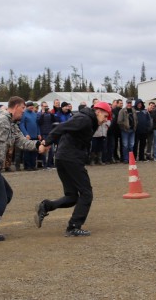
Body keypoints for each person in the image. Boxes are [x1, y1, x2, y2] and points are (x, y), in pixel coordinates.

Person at [0, 97, 50, 243]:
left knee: (7, 194)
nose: (24, 112)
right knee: (0, 199)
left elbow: (22, 142)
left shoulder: (12, 125)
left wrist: (38, 146)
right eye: (23, 108)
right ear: (17, 107)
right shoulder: (0, 119)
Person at [34, 101, 112, 237]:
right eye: (105, 116)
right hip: (71, 158)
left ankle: (46, 206)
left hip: (63, 158)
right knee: (86, 193)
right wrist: (46, 142)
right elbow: (61, 127)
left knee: (72, 197)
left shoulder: (88, 120)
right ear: (98, 111)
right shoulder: (85, 119)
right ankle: (74, 227)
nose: (106, 120)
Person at [19, 101, 40, 171]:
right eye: (30, 106)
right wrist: (26, 134)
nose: (31, 107)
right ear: (27, 107)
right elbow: (21, 125)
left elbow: (37, 125)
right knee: (27, 151)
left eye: (32, 106)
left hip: (35, 135)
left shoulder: (34, 114)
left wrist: (39, 133)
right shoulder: (24, 114)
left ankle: (33, 165)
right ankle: (27, 166)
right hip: (28, 136)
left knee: (34, 150)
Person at [38, 101, 57, 169]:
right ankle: (44, 164)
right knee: (44, 150)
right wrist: (43, 114)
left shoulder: (50, 114)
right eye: (44, 106)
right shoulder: (39, 113)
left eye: (47, 106)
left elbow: (54, 120)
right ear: (41, 106)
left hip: (50, 133)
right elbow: (39, 122)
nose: (46, 108)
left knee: (51, 150)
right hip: (43, 134)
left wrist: (51, 114)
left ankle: (49, 164)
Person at [117, 99, 137, 163]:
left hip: (132, 130)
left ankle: (131, 159)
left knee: (131, 145)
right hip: (125, 131)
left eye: (130, 103)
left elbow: (136, 120)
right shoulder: (122, 111)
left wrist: (135, 126)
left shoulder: (133, 110)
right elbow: (119, 121)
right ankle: (125, 159)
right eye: (128, 103)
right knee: (125, 145)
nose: (129, 104)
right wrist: (124, 128)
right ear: (126, 103)